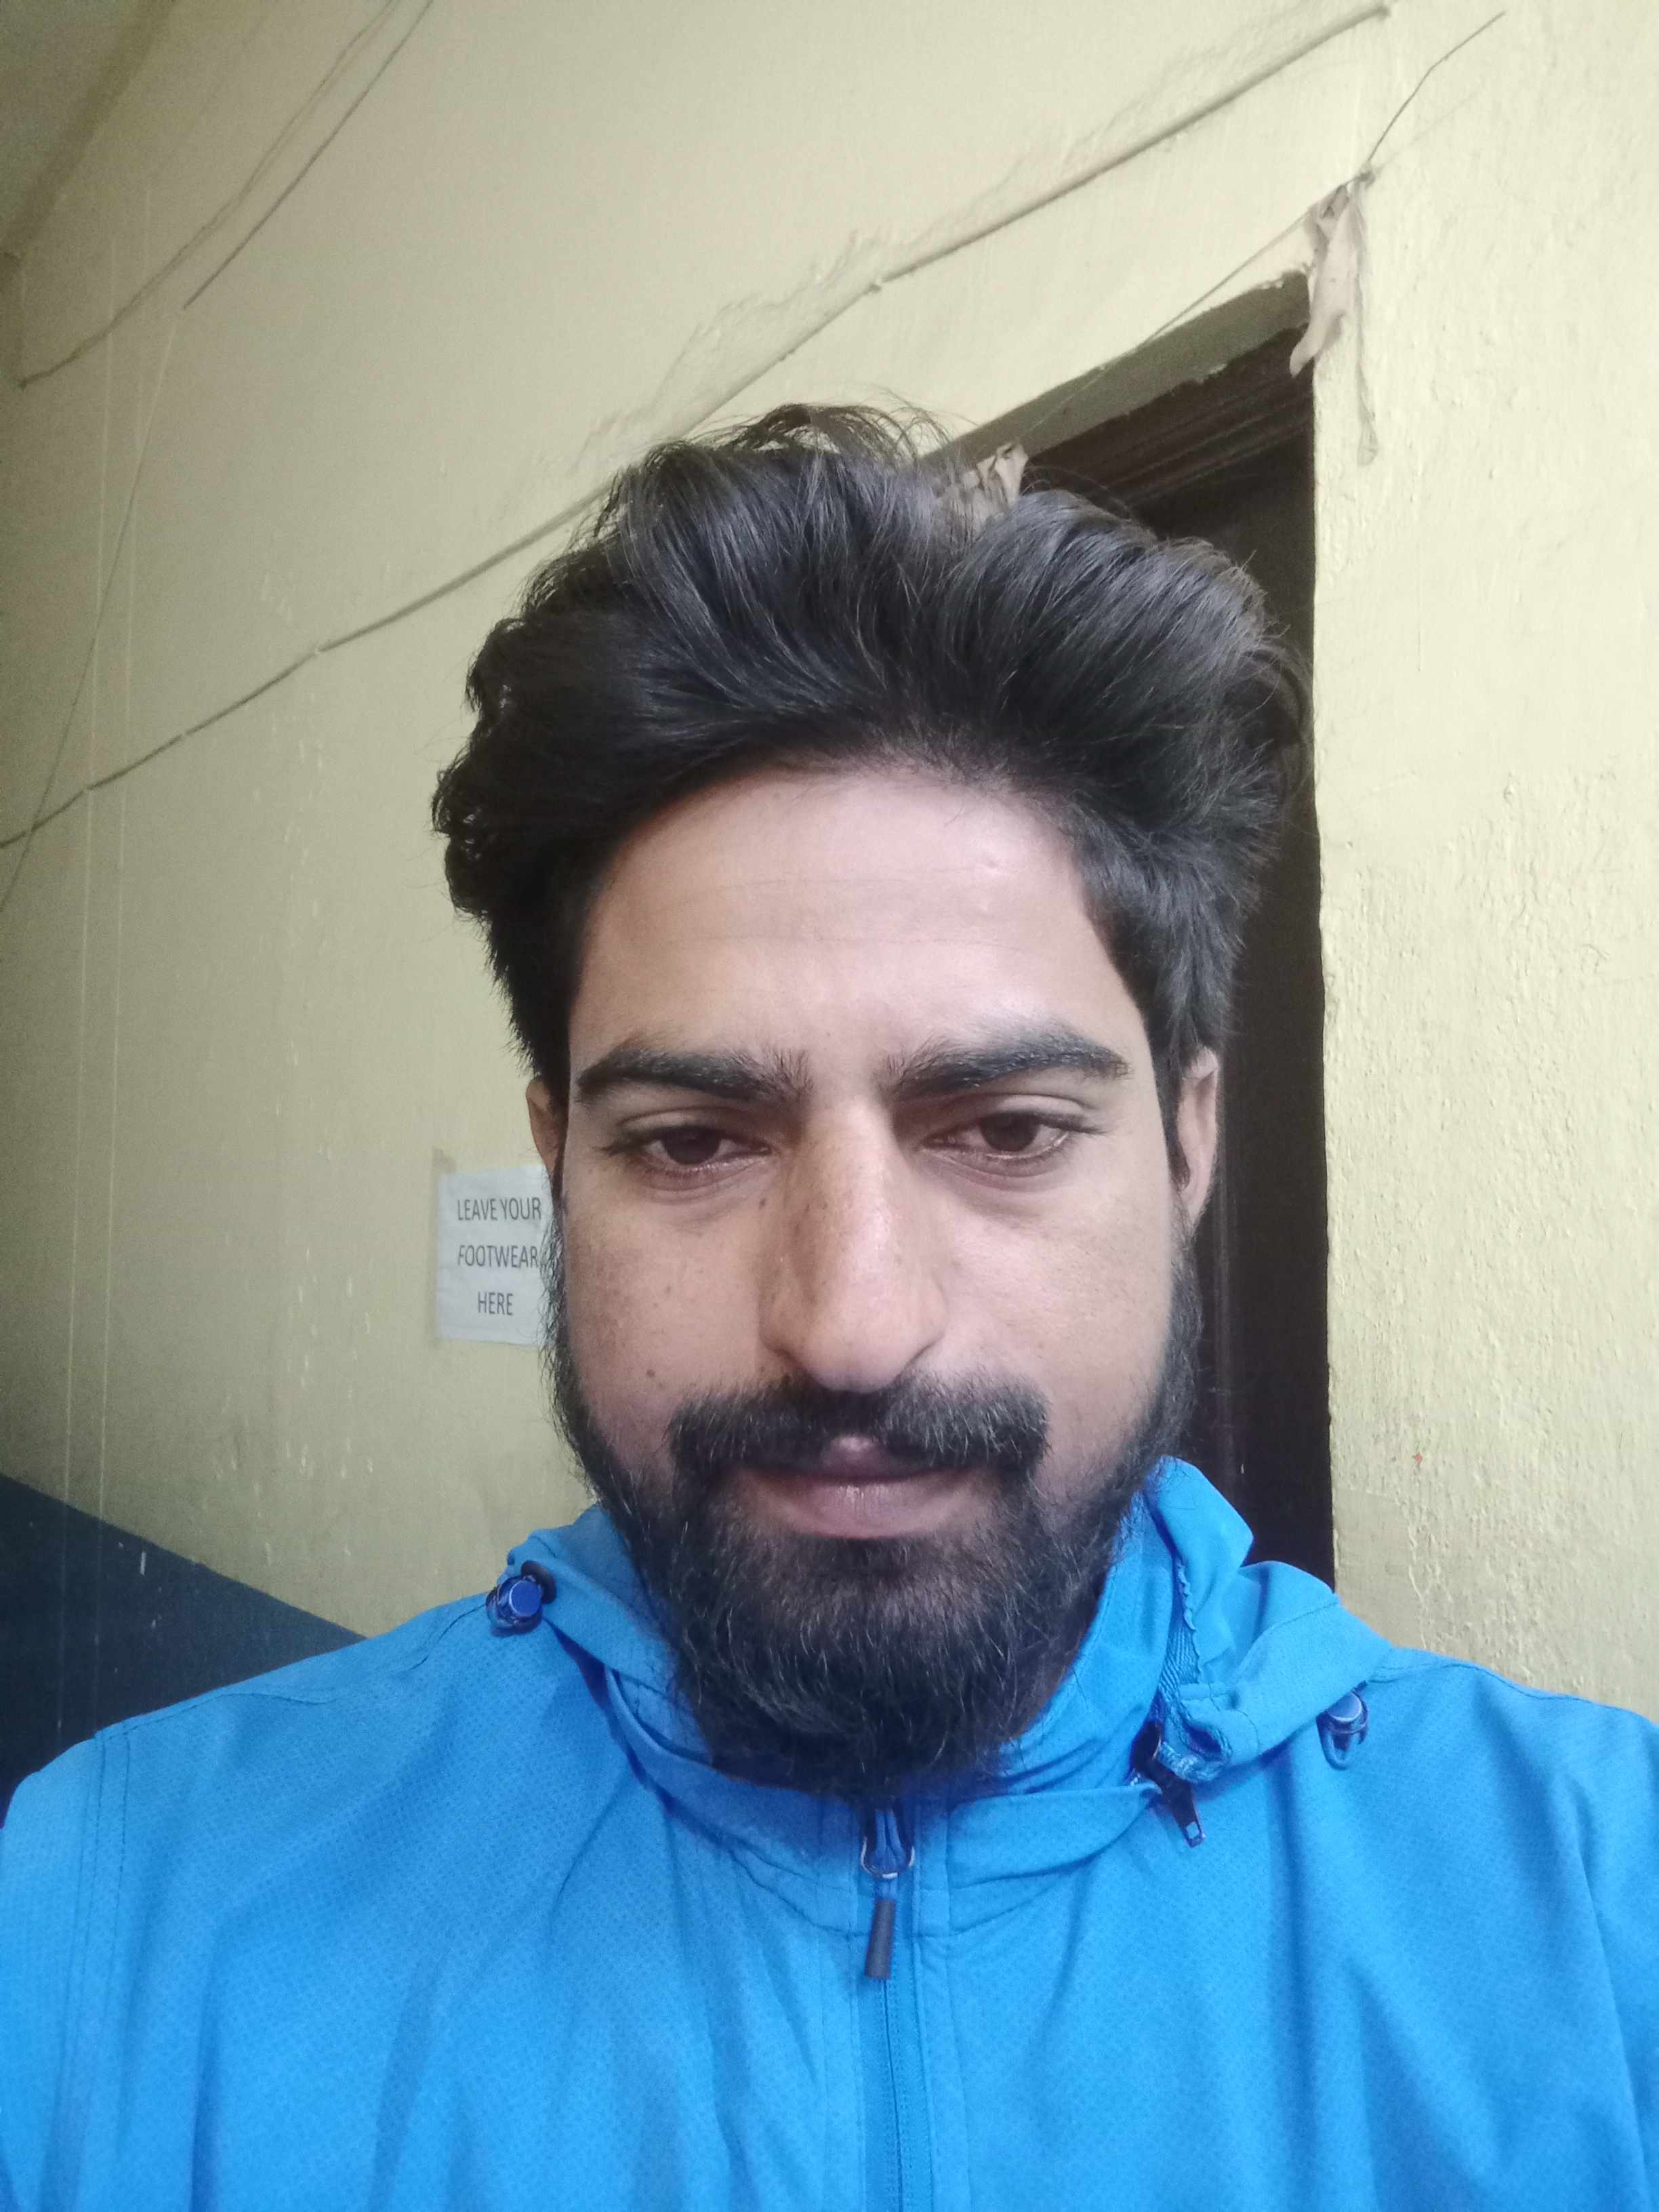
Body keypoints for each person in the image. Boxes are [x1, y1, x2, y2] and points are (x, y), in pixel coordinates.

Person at [2, 407, 1654, 2210]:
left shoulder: (1600, 1910)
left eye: (1006, 1130)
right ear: (559, 1163)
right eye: (695, 1143)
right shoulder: (115, 1920)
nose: (852, 1328)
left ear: (1190, 1143)